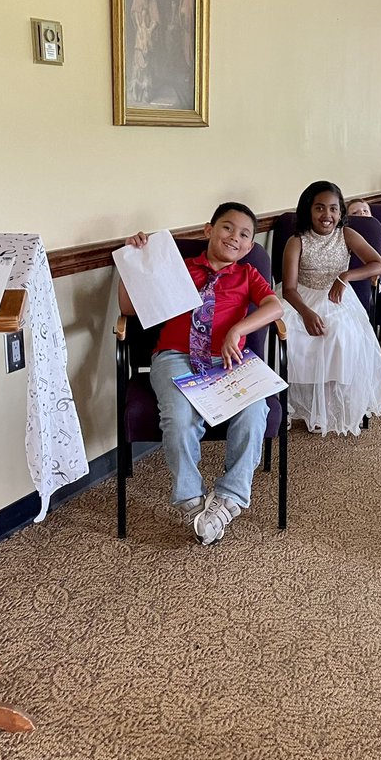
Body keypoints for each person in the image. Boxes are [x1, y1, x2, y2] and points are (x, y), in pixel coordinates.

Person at [117, 202, 283, 545]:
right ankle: (192, 501)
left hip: (229, 360)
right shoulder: (177, 267)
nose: (234, 237)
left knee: (255, 413)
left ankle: (228, 500)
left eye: (243, 234)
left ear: (250, 247)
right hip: (175, 356)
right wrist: (132, 264)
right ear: (208, 230)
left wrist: (238, 330)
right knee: (179, 417)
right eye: (227, 227)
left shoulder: (247, 275)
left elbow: (275, 307)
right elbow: (129, 308)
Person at [281, 181, 381, 435]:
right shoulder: (296, 241)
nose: (326, 215)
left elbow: (379, 264)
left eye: (333, 209)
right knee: (291, 337)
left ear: (341, 212)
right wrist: (306, 313)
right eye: (319, 208)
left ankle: (325, 407)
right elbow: (288, 288)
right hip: (300, 298)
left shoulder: (347, 235)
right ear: (308, 210)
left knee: (339, 335)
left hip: (337, 299)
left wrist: (346, 276)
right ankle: (292, 405)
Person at [346, 198, 381, 392]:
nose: (362, 215)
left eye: (365, 211)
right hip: (352, 283)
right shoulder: (344, 236)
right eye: (355, 213)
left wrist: (379, 284)